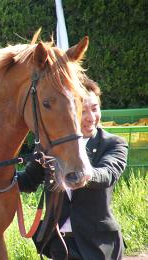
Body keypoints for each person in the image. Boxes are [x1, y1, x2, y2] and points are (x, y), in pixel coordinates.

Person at [17, 77, 128, 260]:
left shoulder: (114, 144)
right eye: (83, 111)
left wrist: (83, 173)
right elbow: (27, 182)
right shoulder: (49, 147)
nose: (91, 117)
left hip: (99, 245)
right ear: (71, 111)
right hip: (59, 244)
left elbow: (107, 174)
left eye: (94, 108)